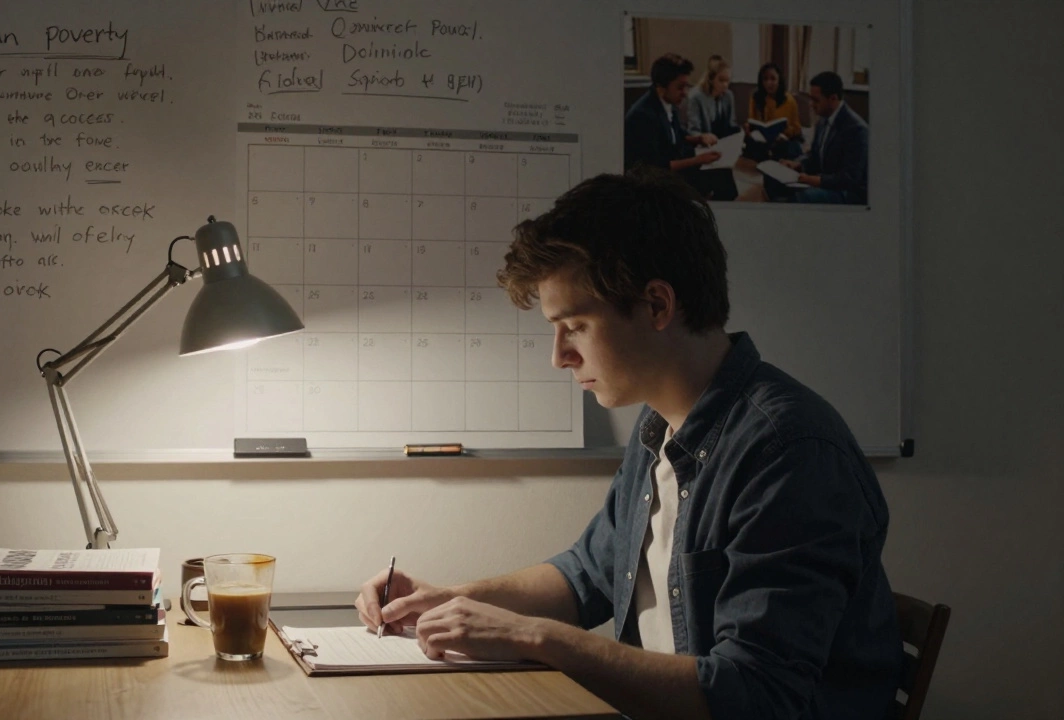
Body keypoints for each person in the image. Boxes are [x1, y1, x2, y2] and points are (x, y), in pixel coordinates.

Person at [355, 168, 900, 720]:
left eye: (576, 326)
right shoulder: (660, 427)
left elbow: (755, 694)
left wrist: (534, 638)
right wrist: (447, 601)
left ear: (658, 305)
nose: (558, 356)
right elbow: (586, 574)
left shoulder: (789, 452)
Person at [624, 53, 737, 201]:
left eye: (686, 86)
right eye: (680, 87)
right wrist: (698, 160)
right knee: (719, 179)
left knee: (724, 173)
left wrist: (699, 138)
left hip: (672, 167)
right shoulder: (643, 115)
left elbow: (677, 135)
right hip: (653, 183)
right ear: (661, 86)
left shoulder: (668, 103)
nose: (685, 93)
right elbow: (654, 167)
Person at [767, 71, 869, 204]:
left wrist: (813, 180)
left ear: (832, 99)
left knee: (805, 197)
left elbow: (850, 178)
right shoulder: (823, 119)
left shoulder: (857, 129)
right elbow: (814, 155)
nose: (810, 104)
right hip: (827, 181)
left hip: (849, 191)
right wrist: (797, 164)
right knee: (771, 180)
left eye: (815, 100)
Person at [745, 62, 804, 160]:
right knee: (750, 145)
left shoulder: (789, 100)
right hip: (762, 139)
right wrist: (748, 128)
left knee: (789, 148)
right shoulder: (755, 97)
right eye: (765, 79)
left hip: (783, 139)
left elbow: (797, 128)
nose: (769, 83)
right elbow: (752, 121)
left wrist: (785, 134)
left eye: (773, 79)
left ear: (779, 80)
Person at [685, 55, 739, 140]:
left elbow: (732, 124)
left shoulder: (728, 95)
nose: (725, 85)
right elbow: (693, 130)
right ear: (711, 78)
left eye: (727, 81)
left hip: (724, 142)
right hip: (704, 144)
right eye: (721, 80)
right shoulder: (696, 97)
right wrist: (703, 138)